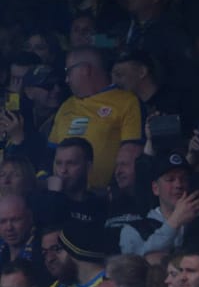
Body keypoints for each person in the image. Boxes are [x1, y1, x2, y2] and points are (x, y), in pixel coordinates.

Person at [48, 50, 142, 192]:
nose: (67, 80)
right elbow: (51, 151)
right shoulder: (66, 105)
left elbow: (131, 152)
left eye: (68, 71)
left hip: (104, 195)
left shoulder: (126, 101)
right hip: (62, 194)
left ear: (85, 70)